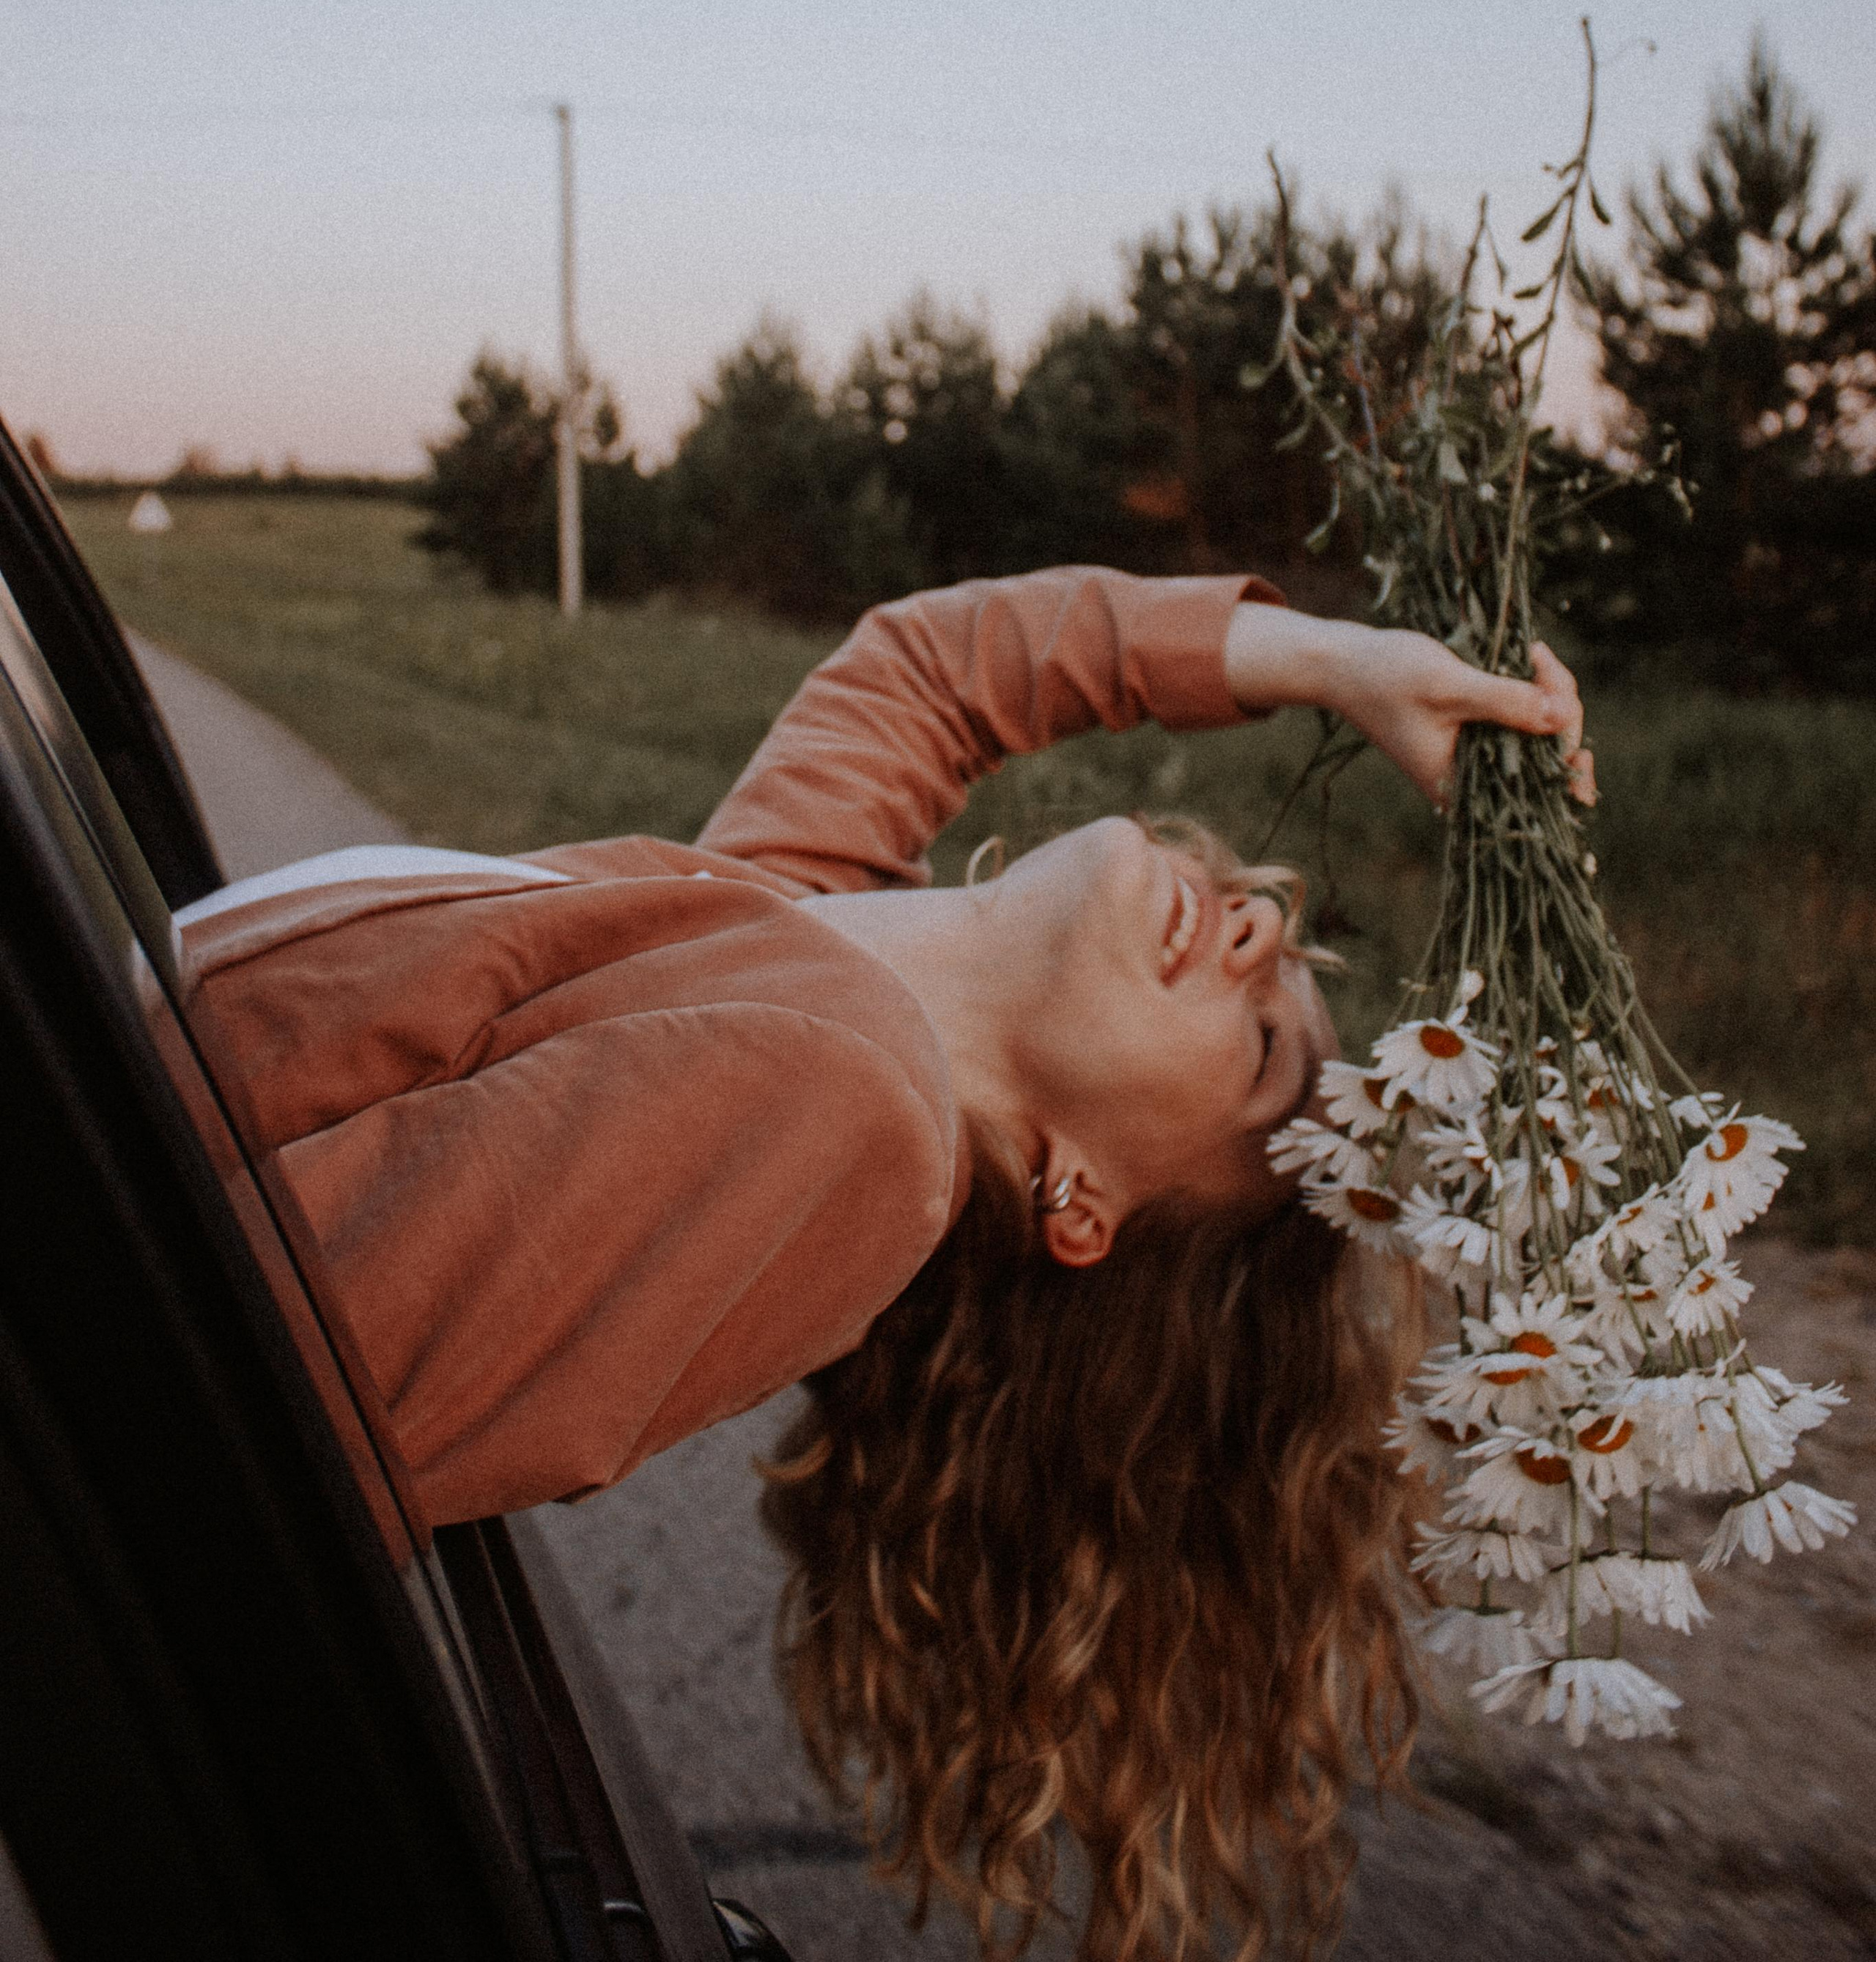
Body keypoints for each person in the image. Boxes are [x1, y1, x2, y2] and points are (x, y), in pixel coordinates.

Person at [179, 563, 1587, 1962]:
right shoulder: (792, 918)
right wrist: (1341, 663)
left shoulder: (840, 1111)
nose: (1267, 930)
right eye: (1293, 964)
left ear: (1085, 1205)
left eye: (1267, 1045)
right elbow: (937, 667)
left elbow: (221, 1389)